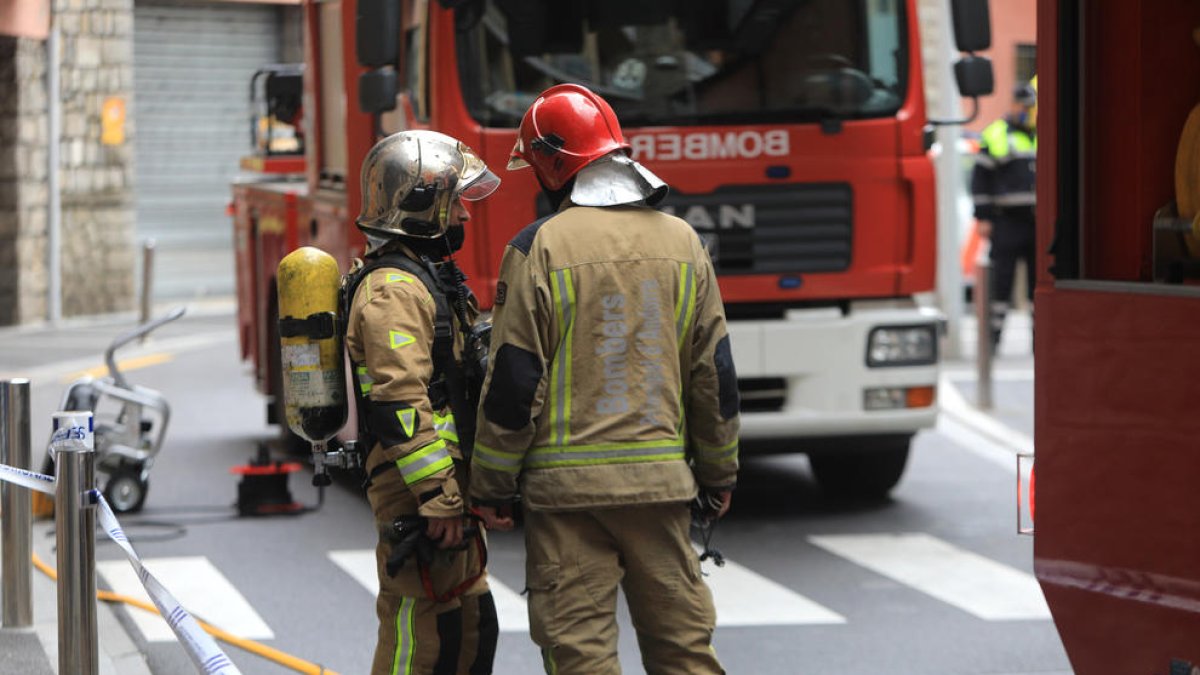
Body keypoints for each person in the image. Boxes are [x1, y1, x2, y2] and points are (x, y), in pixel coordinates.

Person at [469, 83, 741, 674]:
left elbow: (516, 380)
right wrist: (719, 472)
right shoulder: (684, 243)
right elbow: (713, 374)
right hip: (660, 491)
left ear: (549, 162)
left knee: (581, 656)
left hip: (566, 500)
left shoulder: (536, 246)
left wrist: (490, 485)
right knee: (684, 651)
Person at [345, 129, 501, 674]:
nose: (466, 216)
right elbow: (401, 401)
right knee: (421, 632)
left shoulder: (426, 279)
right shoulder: (392, 290)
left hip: (444, 485)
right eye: (456, 201)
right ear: (421, 203)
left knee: (471, 624)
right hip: (414, 488)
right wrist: (437, 495)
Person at [972, 79, 1038, 351]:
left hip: (1037, 223)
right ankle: (992, 341)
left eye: (1030, 106)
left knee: (1039, 285)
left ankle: (1040, 341)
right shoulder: (996, 134)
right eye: (1022, 106)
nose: (1025, 111)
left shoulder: (1043, 132)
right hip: (1007, 221)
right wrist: (983, 216)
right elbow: (980, 180)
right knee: (1001, 283)